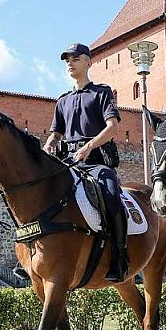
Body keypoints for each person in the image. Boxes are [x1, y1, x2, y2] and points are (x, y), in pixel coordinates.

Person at [43, 42, 128, 282]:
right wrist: (49, 144)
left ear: (89, 62)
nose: (70, 63)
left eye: (76, 59)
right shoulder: (63, 100)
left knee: (112, 197)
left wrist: (89, 146)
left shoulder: (102, 93)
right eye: (67, 60)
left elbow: (112, 127)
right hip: (68, 163)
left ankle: (119, 257)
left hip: (97, 163)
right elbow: (56, 132)